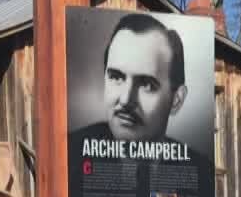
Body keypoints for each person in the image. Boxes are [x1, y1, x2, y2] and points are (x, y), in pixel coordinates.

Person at [76, 13, 189, 145]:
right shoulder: (73, 149)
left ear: (176, 100)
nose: (126, 100)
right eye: (116, 77)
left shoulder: (198, 165)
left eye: (147, 85)